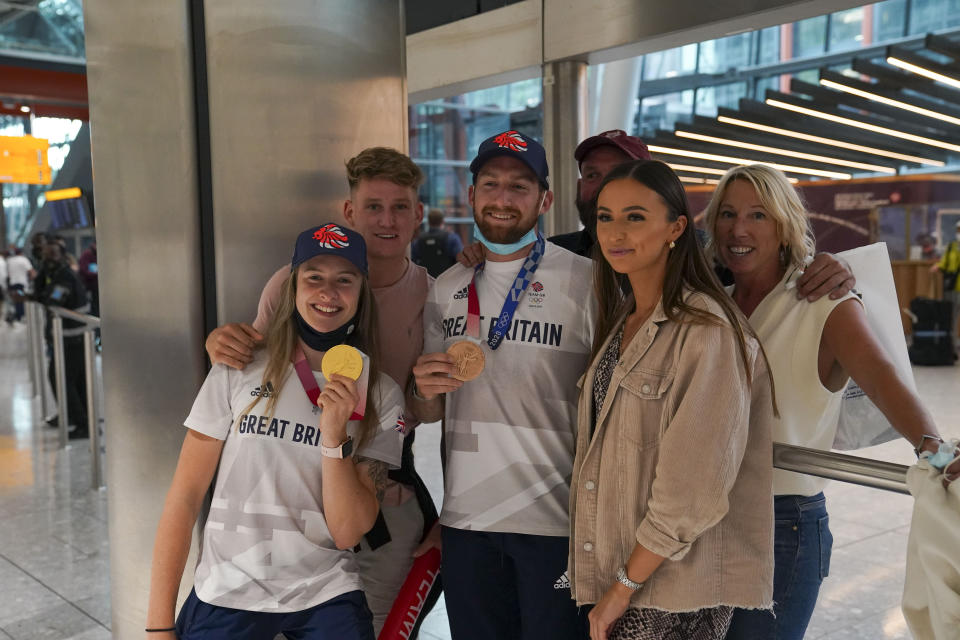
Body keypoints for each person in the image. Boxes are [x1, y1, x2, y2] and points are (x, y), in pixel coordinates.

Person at [704, 164, 960, 640]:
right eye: (727, 214)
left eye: (758, 215)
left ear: (784, 225)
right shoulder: (710, 302)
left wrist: (937, 451)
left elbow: (883, 380)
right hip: (706, 514)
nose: (738, 229)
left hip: (784, 523)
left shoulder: (823, 301)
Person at [203, 147, 439, 635]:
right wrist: (219, 344)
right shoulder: (290, 284)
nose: (387, 220)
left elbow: (437, 413)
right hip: (296, 509)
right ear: (350, 212)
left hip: (384, 507)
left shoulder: (434, 296)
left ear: (418, 216)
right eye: (373, 206)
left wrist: (454, 516)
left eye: (400, 207)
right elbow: (256, 369)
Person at [146, 224, 405, 640]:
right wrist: (158, 626)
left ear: (361, 293)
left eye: (345, 280)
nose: (328, 291)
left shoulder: (380, 393)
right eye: (314, 277)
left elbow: (347, 531)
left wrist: (334, 438)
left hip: (326, 593)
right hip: (228, 590)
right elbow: (185, 495)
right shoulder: (240, 367)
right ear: (293, 286)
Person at [568, 160, 775, 640]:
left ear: (676, 227)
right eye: (605, 217)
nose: (616, 232)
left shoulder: (708, 330)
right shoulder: (624, 322)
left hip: (670, 591)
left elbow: (693, 488)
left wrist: (622, 587)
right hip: (624, 574)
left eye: (635, 217)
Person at [410, 129, 596, 640]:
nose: (502, 198)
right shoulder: (447, 287)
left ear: (545, 199)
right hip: (467, 522)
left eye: (519, 186)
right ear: (471, 196)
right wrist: (424, 390)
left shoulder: (587, 282)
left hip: (557, 522)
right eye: (490, 184)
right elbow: (429, 414)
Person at [460, 130, 856, 302]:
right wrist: (483, 256)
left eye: (616, 175)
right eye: (592, 175)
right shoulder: (555, 254)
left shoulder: (698, 255)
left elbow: (761, 277)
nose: (602, 188)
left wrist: (824, 271)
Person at [34, 242, 90, 438]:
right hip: (71, 339)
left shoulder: (64, 278)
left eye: (52, 255)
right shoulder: (60, 274)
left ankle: (81, 422)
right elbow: (40, 294)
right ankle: (79, 418)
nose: (49, 260)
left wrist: (43, 290)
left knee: (61, 379)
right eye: (46, 256)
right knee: (76, 381)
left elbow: (54, 300)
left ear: (62, 256)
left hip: (70, 340)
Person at [931, 220, 960, 347]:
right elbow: (944, 264)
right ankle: (951, 347)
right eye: (958, 230)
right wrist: (938, 266)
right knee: (952, 317)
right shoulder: (952, 247)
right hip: (954, 287)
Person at [412, 209, 463, 277]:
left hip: (425, 282)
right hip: (447, 281)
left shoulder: (418, 240)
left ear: (429, 222)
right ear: (443, 221)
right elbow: (461, 261)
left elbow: (413, 262)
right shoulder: (452, 239)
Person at [5, 247, 34, 323]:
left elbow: (7, 274)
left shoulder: (9, 260)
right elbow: (31, 272)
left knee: (16, 299)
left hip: (13, 284)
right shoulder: (24, 260)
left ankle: (18, 314)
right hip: (21, 284)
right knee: (21, 298)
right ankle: (20, 315)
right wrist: (31, 280)